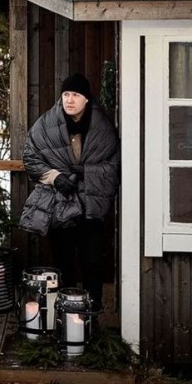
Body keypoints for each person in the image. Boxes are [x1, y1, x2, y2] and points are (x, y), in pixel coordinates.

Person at [22, 73, 120, 312]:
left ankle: (92, 315)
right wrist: (56, 178)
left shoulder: (103, 127)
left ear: (86, 99)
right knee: (63, 263)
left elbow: (116, 164)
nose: (69, 100)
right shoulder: (46, 124)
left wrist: (86, 170)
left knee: (92, 263)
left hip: (91, 207)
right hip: (60, 204)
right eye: (66, 94)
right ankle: (66, 316)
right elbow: (30, 157)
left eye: (75, 95)